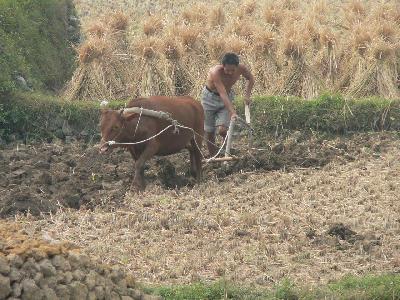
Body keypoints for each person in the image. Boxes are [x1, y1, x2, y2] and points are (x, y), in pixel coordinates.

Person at [201, 52, 254, 157]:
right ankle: (213, 157)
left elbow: (251, 79)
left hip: (227, 98)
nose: (230, 73)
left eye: (232, 70)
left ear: (237, 67)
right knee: (209, 131)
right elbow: (222, 93)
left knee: (222, 130)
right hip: (209, 99)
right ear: (222, 66)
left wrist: (247, 95)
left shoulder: (241, 68)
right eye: (227, 70)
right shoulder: (215, 72)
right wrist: (233, 112)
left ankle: (227, 150)